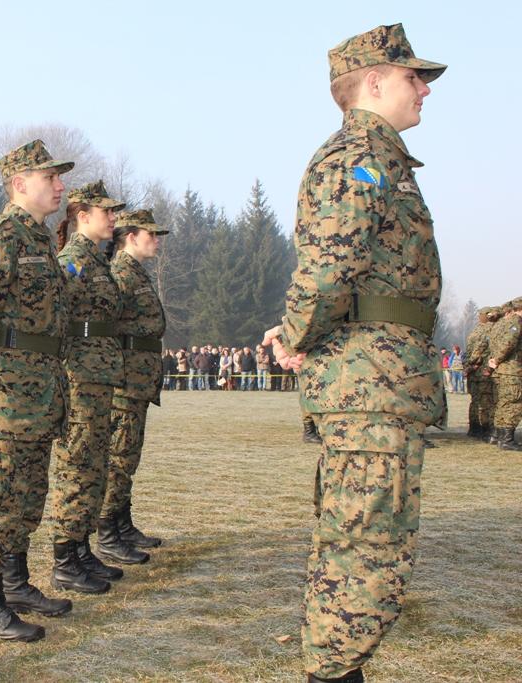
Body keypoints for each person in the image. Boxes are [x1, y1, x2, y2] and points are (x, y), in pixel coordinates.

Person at [262, 24, 446, 682]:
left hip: (379, 383)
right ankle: (332, 673)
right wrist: (295, 335)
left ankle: (339, 671)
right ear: (372, 82)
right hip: (369, 387)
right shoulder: (358, 157)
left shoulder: (380, 159)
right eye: (411, 76)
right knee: (365, 552)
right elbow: (328, 269)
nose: (423, 88)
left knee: (364, 546)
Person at [0, 140, 75, 644]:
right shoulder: (2, 237)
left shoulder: (42, 239)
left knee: (27, 497)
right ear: (19, 182)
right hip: (7, 394)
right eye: (50, 177)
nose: (60, 186)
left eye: (60, 177)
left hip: (40, 391)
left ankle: (14, 585)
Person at [48, 179, 127, 596]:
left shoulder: (96, 261)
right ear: (83, 217)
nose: (113, 219)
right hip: (80, 377)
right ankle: (64, 556)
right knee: (76, 464)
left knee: (94, 464)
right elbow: (57, 313)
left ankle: (79, 548)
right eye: (107, 212)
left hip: (99, 376)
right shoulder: (73, 261)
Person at [101, 209, 170, 564]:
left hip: (138, 381)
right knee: (118, 457)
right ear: (131, 237)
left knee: (128, 456)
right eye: (151, 234)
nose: (156, 241)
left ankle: (122, 523)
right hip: (125, 382)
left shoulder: (135, 273)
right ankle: (108, 531)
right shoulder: (120, 275)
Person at [487, 297, 522, 450]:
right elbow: (509, 343)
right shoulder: (516, 322)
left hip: (504, 370)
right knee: (513, 404)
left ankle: (500, 437)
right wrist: (497, 359)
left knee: (504, 403)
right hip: (512, 369)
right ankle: (507, 441)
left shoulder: (502, 324)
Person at [465, 306, 500, 440]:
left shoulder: (475, 331)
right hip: (484, 371)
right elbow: (478, 352)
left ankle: (474, 428)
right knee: (486, 401)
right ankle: (486, 429)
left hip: (474, 371)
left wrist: (469, 366)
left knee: (475, 401)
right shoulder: (489, 330)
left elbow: (470, 353)